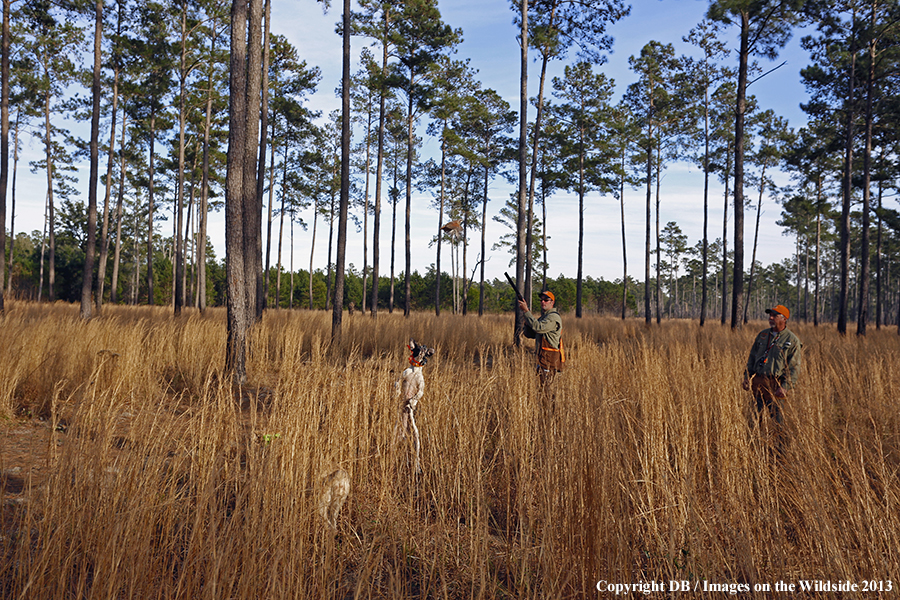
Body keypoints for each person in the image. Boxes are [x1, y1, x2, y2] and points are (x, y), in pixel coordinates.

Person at [742, 304, 802, 439]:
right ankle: (755, 448)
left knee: (778, 423)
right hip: (758, 383)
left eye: (775, 315)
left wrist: (785, 387)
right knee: (753, 421)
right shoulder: (762, 335)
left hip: (776, 386)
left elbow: (794, 368)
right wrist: (747, 377)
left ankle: (779, 454)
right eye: (770, 315)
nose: (770, 318)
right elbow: (751, 358)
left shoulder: (792, 340)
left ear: (784, 318)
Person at [517, 290, 564, 386]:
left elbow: (538, 328)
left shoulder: (553, 317)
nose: (543, 302)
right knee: (542, 388)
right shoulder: (544, 317)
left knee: (547, 390)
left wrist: (526, 311)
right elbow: (531, 334)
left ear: (552, 302)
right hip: (542, 358)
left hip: (549, 359)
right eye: (541, 300)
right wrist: (527, 321)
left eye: (546, 300)